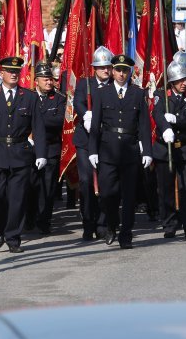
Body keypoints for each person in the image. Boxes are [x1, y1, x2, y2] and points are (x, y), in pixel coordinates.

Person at [0, 56, 47, 253]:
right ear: (1, 73)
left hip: (20, 154)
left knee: (17, 199)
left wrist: (41, 153)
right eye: (9, 71)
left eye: (16, 71)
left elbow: (38, 127)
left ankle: (13, 237)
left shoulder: (29, 97)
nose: (13, 74)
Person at [87, 54, 152, 249]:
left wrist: (146, 150)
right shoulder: (102, 93)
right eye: (118, 70)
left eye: (125, 70)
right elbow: (96, 125)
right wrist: (93, 150)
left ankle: (126, 234)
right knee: (107, 193)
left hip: (130, 150)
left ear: (129, 72)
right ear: (112, 71)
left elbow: (144, 125)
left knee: (129, 195)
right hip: (107, 150)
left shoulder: (138, 93)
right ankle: (111, 225)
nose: (121, 74)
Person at [152, 62, 186, 239]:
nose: (184, 83)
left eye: (185, 79)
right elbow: (157, 113)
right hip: (165, 148)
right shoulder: (161, 95)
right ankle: (169, 224)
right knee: (165, 189)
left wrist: (177, 120)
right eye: (179, 80)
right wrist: (165, 127)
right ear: (171, 82)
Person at [74, 46, 113, 241]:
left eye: (108, 67)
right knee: (87, 181)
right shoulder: (85, 84)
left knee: (106, 182)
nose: (106, 70)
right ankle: (88, 221)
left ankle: (103, 223)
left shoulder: (115, 85)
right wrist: (86, 115)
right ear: (94, 68)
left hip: (107, 139)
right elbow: (78, 102)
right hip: (87, 139)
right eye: (102, 67)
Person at [27, 62, 65, 235]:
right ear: (36, 81)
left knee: (47, 188)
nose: (49, 83)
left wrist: (35, 122)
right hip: (29, 150)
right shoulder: (27, 97)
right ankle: (29, 218)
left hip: (50, 149)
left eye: (50, 79)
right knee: (30, 186)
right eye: (45, 79)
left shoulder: (59, 99)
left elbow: (58, 122)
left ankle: (44, 220)